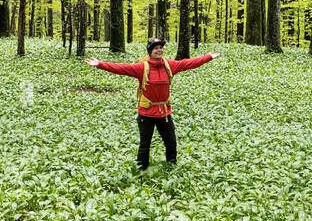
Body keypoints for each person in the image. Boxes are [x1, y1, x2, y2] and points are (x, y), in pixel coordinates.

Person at [86, 37, 217, 170]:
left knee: (171, 142)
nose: (159, 50)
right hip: (146, 113)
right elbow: (122, 68)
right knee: (145, 144)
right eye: (156, 48)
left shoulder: (169, 65)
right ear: (150, 51)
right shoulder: (142, 67)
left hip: (164, 113)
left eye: (160, 48)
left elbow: (188, 63)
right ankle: (141, 169)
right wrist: (100, 64)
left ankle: (172, 166)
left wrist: (208, 57)